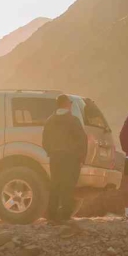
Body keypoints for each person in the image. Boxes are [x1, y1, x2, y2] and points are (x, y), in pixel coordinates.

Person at [41, 94, 87, 223]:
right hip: (70, 157)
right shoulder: (73, 120)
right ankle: (65, 215)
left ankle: (51, 214)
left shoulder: (50, 120)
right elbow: (82, 140)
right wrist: (81, 157)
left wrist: (50, 152)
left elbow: (45, 141)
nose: (71, 105)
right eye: (70, 103)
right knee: (68, 185)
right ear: (67, 103)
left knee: (55, 184)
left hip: (55, 157)